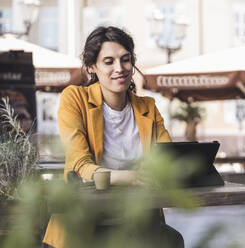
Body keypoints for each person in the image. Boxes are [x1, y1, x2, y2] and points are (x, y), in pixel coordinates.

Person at [43, 26, 184, 248]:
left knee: (171, 240)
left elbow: (167, 158)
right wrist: (132, 177)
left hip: (137, 220)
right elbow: (80, 165)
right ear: (92, 66)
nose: (119, 68)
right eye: (108, 62)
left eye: (125, 60)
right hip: (85, 222)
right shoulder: (75, 99)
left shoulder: (147, 107)